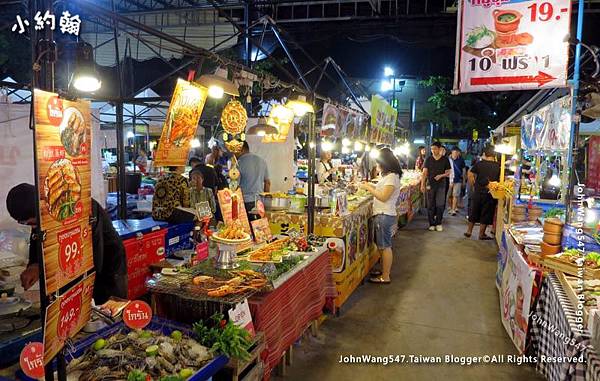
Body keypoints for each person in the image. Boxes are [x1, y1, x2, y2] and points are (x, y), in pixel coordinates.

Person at [6, 183, 127, 305]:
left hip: (107, 262)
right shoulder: (40, 211)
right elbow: (37, 237)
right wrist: (35, 264)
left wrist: (81, 288)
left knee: (108, 308)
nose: (33, 227)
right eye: (27, 224)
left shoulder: (80, 206)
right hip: (79, 262)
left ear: (42, 207)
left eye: (33, 222)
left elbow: (95, 252)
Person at [359, 148, 403, 284]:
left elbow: (384, 197)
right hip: (384, 214)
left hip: (384, 215)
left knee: (385, 246)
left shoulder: (391, 178)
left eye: (378, 163)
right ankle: (384, 270)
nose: (377, 166)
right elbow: (383, 191)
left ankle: (385, 276)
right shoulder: (390, 177)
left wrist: (369, 188)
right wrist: (371, 185)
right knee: (382, 245)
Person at [464, 145, 501, 240]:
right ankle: (481, 234)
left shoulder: (479, 164)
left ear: (484, 154)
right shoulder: (498, 166)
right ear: (494, 155)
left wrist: (473, 184)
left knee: (474, 210)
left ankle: (469, 231)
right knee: (486, 213)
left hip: (478, 192)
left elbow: (470, 174)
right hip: (490, 193)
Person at [421, 142, 451, 231]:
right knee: (430, 204)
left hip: (441, 184)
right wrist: (422, 184)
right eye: (432, 149)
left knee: (440, 204)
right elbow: (424, 172)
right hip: (430, 184)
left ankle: (438, 223)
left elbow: (448, 172)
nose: (433, 151)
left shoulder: (445, 159)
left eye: (435, 149)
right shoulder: (428, 159)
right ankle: (431, 223)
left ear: (439, 149)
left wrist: (441, 176)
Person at [235, 141, 271, 212]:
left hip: (245, 202)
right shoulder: (262, 161)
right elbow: (268, 183)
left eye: (235, 151)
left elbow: (235, 186)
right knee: (258, 223)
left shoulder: (239, 163)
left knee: (246, 223)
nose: (234, 154)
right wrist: (266, 201)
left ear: (241, 149)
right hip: (259, 202)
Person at [448, 147, 466, 216]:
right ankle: (451, 207)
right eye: (454, 152)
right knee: (449, 195)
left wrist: (464, 180)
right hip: (449, 180)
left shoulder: (461, 160)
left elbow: (464, 170)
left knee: (455, 195)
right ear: (452, 152)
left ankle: (453, 209)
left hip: (458, 180)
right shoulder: (448, 160)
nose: (456, 154)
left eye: (457, 152)